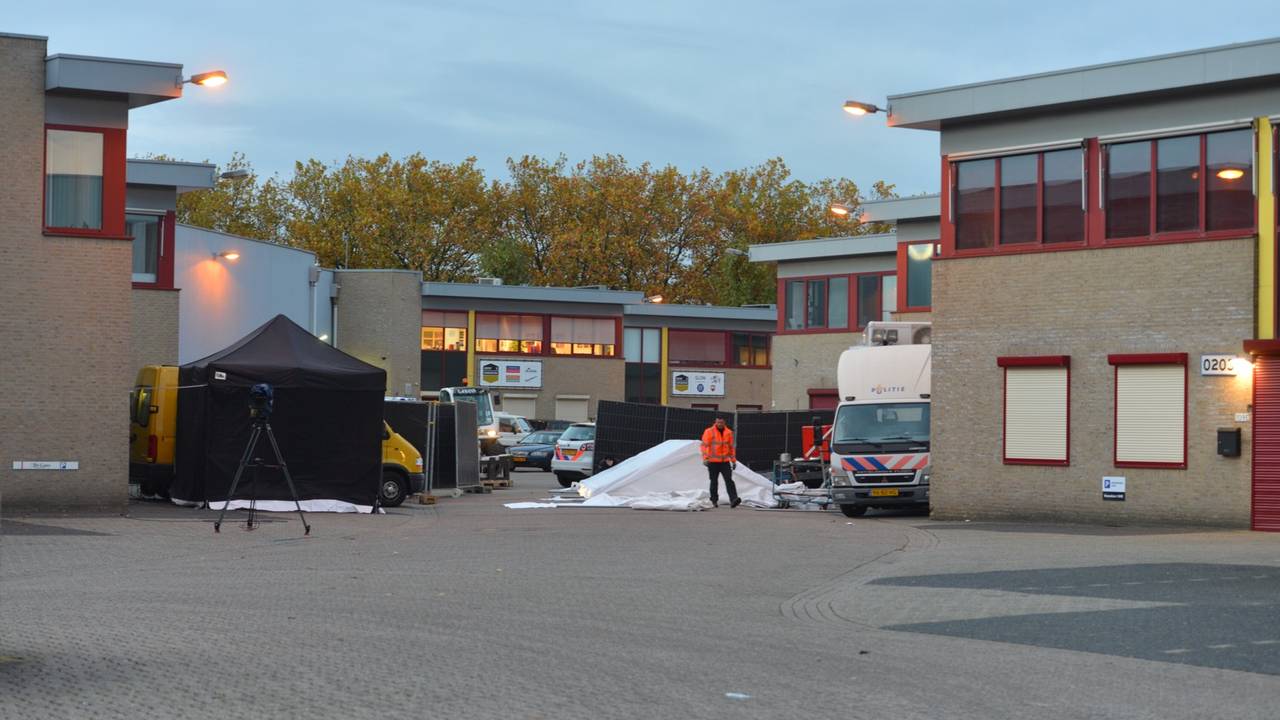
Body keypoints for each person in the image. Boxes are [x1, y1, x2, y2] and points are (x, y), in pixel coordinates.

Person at [701, 416, 740, 508]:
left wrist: (733, 461)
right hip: (712, 461)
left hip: (724, 462)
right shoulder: (709, 432)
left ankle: (734, 499)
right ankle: (714, 500)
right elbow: (704, 446)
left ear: (724, 423)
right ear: (715, 422)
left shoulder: (729, 433)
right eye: (718, 422)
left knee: (729, 480)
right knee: (714, 481)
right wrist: (705, 458)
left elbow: (731, 448)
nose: (719, 424)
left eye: (721, 422)